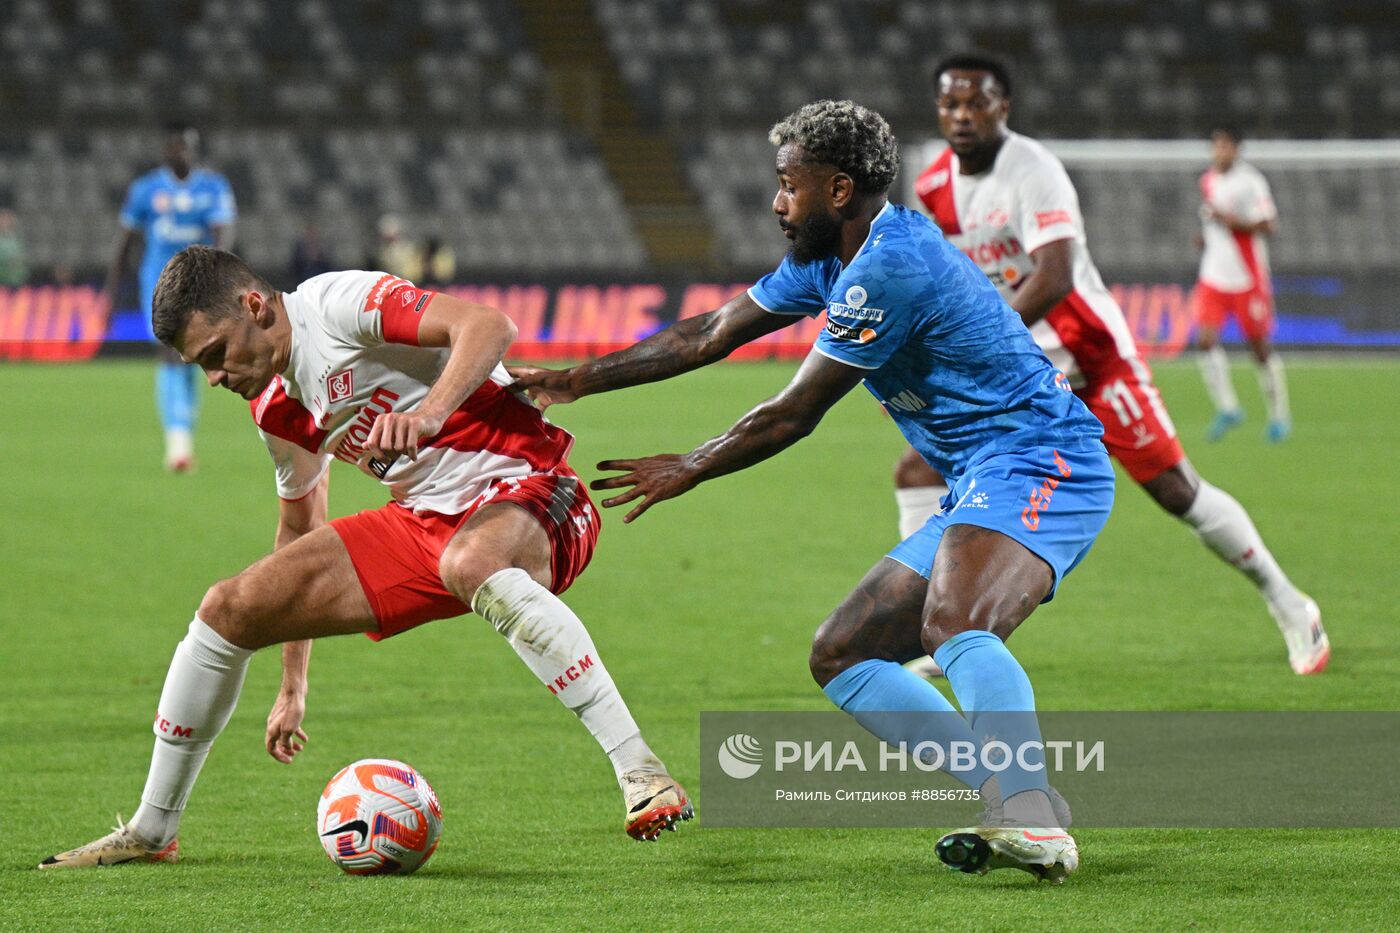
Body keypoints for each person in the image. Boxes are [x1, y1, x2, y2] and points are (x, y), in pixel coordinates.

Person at [514, 100, 1114, 883]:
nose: (776, 203)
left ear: (837, 190)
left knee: (956, 619)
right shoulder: (826, 260)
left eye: (787, 185)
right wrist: (576, 379)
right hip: (983, 473)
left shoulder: (889, 265)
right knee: (844, 653)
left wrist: (690, 464)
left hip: (1044, 458)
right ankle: (1013, 793)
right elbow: (708, 332)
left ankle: (1031, 814)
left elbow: (795, 412)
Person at [39, 247, 690, 870]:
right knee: (226, 609)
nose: (214, 378)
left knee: (469, 561)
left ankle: (642, 770)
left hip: (531, 485)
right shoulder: (274, 406)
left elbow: (490, 325)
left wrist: (433, 412)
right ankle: (153, 827)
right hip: (422, 524)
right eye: (200, 366)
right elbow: (300, 529)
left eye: (215, 354)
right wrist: (293, 684)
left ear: (256, 306)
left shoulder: (339, 304)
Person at [896, 55, 1326, 680]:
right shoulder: (935, 184)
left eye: (977, 103)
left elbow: (1055, 274)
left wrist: (979, 345)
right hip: (1020, 373)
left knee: (1177, 491)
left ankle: (1291, 603)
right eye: (950, 104)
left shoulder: (1034, 172)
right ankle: (937, 626)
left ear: (1003, 108)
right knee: (918, 469)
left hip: (1091, 359)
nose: (962, 116)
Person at [105, 123, 237, 472]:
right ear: (166, 150)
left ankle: (183, 435)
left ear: (195, 150)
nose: (181, 152)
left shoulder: (212, 187)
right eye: (175, 146)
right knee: (168, 354)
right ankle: (178, 444)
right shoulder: (146, 189)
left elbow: (225, 235)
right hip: (158, 284)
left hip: (198, 285)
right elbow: (125, 243)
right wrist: (111, 292)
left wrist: (221, 278)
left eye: (187, 146)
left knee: (192, 358)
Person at [1192, 127, 1290, 442]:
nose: (1218, 152)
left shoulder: (1251, 182)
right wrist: (1205, 238)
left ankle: (1279, 416)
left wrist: (1234, 224)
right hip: (1214, 276)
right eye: (1215, 146)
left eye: (1224, 146)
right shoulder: (1208, 179)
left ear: (1236, 149)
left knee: (1259, 349)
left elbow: (1269, 224)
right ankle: (1229, 408)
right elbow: (1212, 222)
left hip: (1247, 279)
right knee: (1205, 341)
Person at [0, 208, 26, 286]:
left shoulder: (17, 240)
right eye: (3, 219)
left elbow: (22, 261)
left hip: (16, 282)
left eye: (8, 219)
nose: (5, 222)